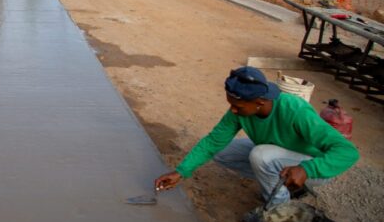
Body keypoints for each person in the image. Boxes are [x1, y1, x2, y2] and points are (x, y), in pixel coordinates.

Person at [154, 67, 359, 208]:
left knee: (260, 155)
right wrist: (181, 172)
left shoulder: (295, 110)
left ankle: (278, 208)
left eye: (238, 106)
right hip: (280, 156)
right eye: (231, 104)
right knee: (222, 152)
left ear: (260, 101)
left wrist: (307, 169)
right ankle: (281, 185)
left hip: (314, 167)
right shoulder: (239, 111)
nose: (233, 111)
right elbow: (213, 142)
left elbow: (348, 152)